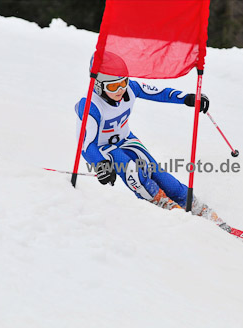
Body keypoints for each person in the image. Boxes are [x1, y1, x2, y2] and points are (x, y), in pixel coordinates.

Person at [75, 52, 228, 229]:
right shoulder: (90, 105)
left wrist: (187, 98)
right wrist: (100, 164)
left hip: (126, 139)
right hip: (103, 149)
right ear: (99, 86)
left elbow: (159, 93)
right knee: (133, 170)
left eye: (123, 83)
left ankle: (191, 203)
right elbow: (86, 145)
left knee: (159, 174)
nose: (120, 90)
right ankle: (162, 204)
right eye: (113, 87)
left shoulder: (130, 89)